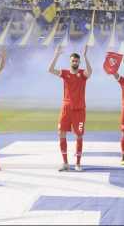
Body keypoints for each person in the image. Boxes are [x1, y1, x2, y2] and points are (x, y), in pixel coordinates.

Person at [47, 44, 92, 172]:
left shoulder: (83, 74)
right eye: (73, 60)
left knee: (79, 136)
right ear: (70, 62)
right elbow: (50, 69)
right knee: (61, 133)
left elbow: (90, 72)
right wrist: (56, 54)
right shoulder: (65, 73)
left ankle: (77, 163)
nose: (75, 62)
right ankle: (65, 163)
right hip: (66, 109)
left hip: (79, 110)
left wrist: (85, 56)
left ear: (79, 62)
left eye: (77, 61)